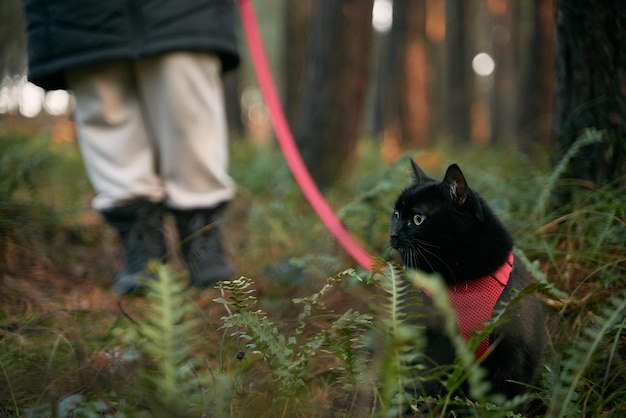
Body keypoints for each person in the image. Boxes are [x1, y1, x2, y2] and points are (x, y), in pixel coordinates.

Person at [22, 0, 240, 294]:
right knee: (106, 111)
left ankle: (201, 235)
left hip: (185, 12)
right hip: (76, 16)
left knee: (188, 107)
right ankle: (142, 245)